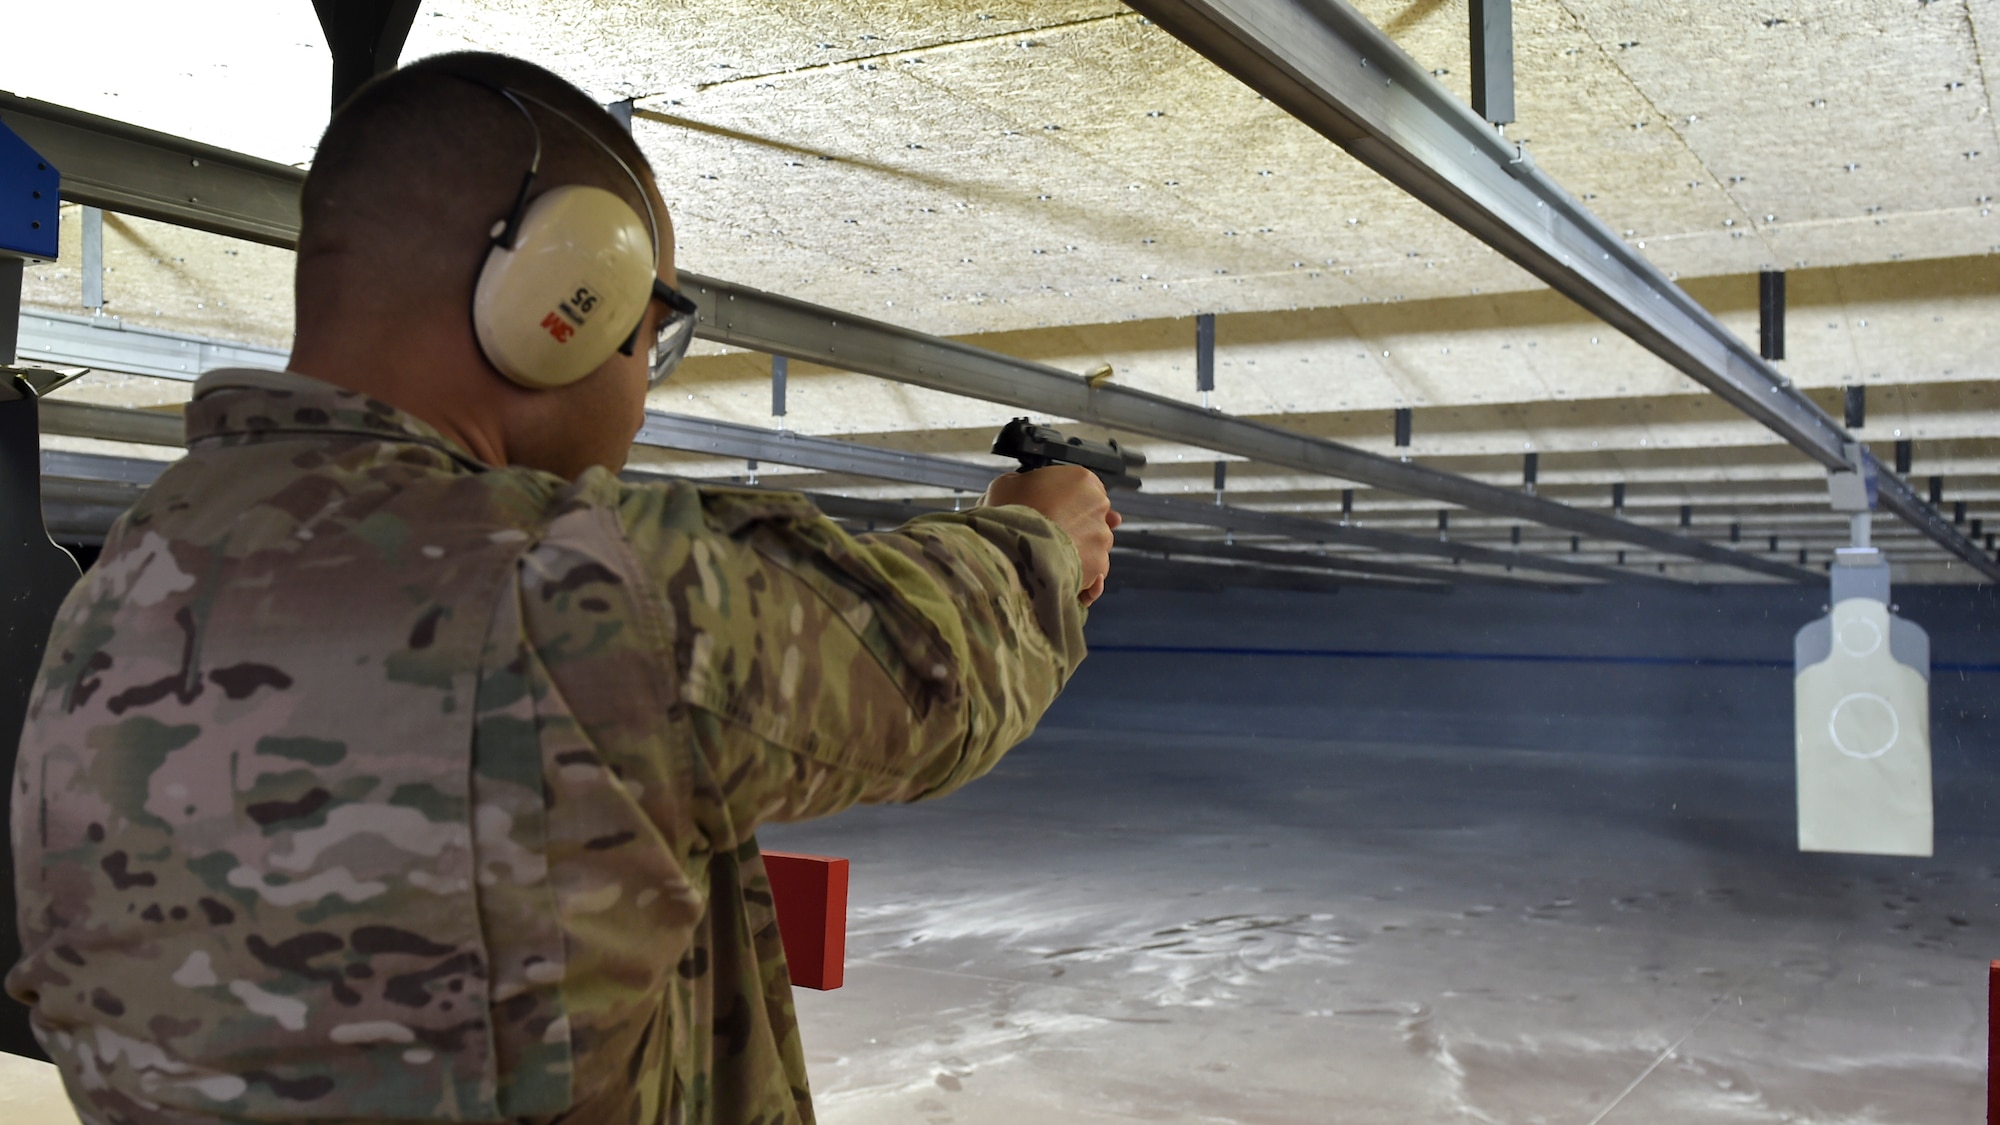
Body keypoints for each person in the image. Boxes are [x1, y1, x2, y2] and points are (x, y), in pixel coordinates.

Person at [7, 52, 1117, 1125]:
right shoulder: (563, 587)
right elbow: (930, 670)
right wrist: (1038, 539)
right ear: (563, 299)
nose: (639, 387)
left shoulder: (125, 585)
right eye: (648, 327)